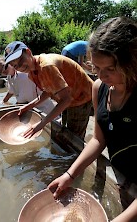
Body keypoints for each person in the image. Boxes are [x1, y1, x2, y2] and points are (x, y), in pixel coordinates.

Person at [48, 16, 137, 222]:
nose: (101, 76)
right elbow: (98, 139)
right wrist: (69, 175)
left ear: (132, 62)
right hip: (122, 179)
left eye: (110, 69)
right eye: (96, 68)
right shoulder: (99, 89)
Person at [4, 41, 93, 140]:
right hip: (69, 96)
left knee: (74, 137)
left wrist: (41, 124)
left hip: (81, 96)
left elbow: (66, 100)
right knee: (64, 129)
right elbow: (49, 91)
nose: (20, 66)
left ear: (28, 52)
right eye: (15, 65)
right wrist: (28, 106)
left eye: (20, 60)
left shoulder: (46, 66)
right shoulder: (32, 72)